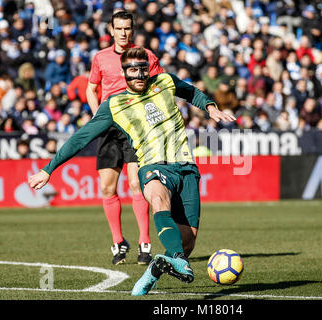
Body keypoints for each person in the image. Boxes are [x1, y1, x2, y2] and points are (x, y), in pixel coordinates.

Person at [28, 47, 236, 296]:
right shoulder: (114, 105)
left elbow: (191, 91)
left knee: (187, 240)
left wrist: (210, 106)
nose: (139, 74)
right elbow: (80, 138)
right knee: (158, 199)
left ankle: (156, 269)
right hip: (152, 166)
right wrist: (48, 169)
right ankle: (178, 259)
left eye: (142, 69)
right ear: (124, 73)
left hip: (186, 167)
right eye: (132, 70)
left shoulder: (165, 81)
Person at [86, 11, 164, 266]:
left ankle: (145, 242)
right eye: (118, 28)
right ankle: (118, 242)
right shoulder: (101, 58)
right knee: (107, 187)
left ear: (133, 30)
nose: (123, 32)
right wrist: (97, 114)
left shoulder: (145, 55)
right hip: (110, 127)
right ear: (111, 30)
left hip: (136, 128)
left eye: (127, 28)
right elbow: (91, 88)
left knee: (135, 184)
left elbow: (162, 84)